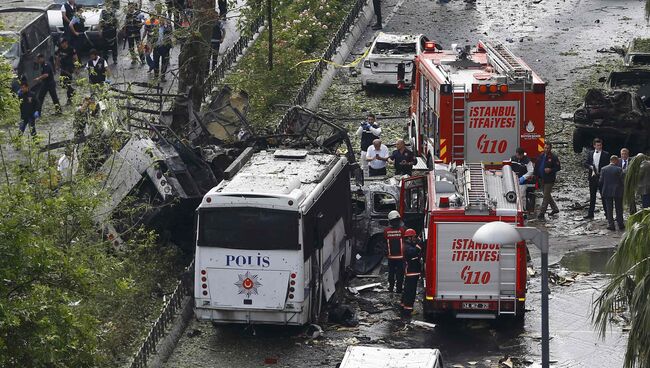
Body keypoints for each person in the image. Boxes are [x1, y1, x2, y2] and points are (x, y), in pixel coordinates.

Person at [584, 138, 611, 219]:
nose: (599, 147)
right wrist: (590, 167)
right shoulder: (590, 153)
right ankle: (590, 214)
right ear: (594, 146)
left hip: (602, 177)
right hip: (592, 177)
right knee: (592, 196)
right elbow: (585, 163)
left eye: (600, 145)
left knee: (604, 196)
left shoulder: (606, 154)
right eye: (597, 145)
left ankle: (607, 214)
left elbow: (608, 166)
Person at [534, 143, 561, 220]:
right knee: (547, 195)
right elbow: (537, 166)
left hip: (549, 179)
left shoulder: (553, 157)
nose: (546, 149)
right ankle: (555, 209)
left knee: (545, 196)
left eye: (548, 148)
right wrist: (535, 175)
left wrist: (551, 170)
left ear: (550, 149)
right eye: (545, 148)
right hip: (541, 178)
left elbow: (558, 167)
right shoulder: (541, 156)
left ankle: (542, 213)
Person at [401, 228, 422, 320]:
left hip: (411, 272)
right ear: (409, 238)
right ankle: (408, 310)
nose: (415, 238)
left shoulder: (407, 245)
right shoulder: (408, 247)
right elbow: (414, 252)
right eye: (414, 237)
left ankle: (403, 305)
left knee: (406, 290)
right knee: (411, 292)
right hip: (411, 272)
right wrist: (419, 244)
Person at [600, 155, 625, 231]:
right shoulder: (619, 169)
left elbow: (601, 181)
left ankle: (611, 225)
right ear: (616, 161)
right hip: (618, 191)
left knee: (609, 208)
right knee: (619, 208)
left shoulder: (603, 169)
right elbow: (622, 181)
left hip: (607, 191)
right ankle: (620, 224)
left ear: (610, 161)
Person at [384, 210, 406, 293]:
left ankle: (391, 288)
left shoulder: (386, 231)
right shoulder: (403, 230)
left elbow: (384, 243)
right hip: (401, 257)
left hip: (391, 257)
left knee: (391, 273)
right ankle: (399, 289)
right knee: (400, 274)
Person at [55, 38, 78, 105]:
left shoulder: (71, 49)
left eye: (62, 43)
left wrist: (76, 67)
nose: (62, 44)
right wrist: (56, 65)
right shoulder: (60, 49)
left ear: (66, 42)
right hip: (63, 68)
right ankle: (73, 91)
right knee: (62, 83)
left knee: (67, 83)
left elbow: (75, 58)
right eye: (61, 43)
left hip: (69, 68)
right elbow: (58, 58)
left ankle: (69, 99)